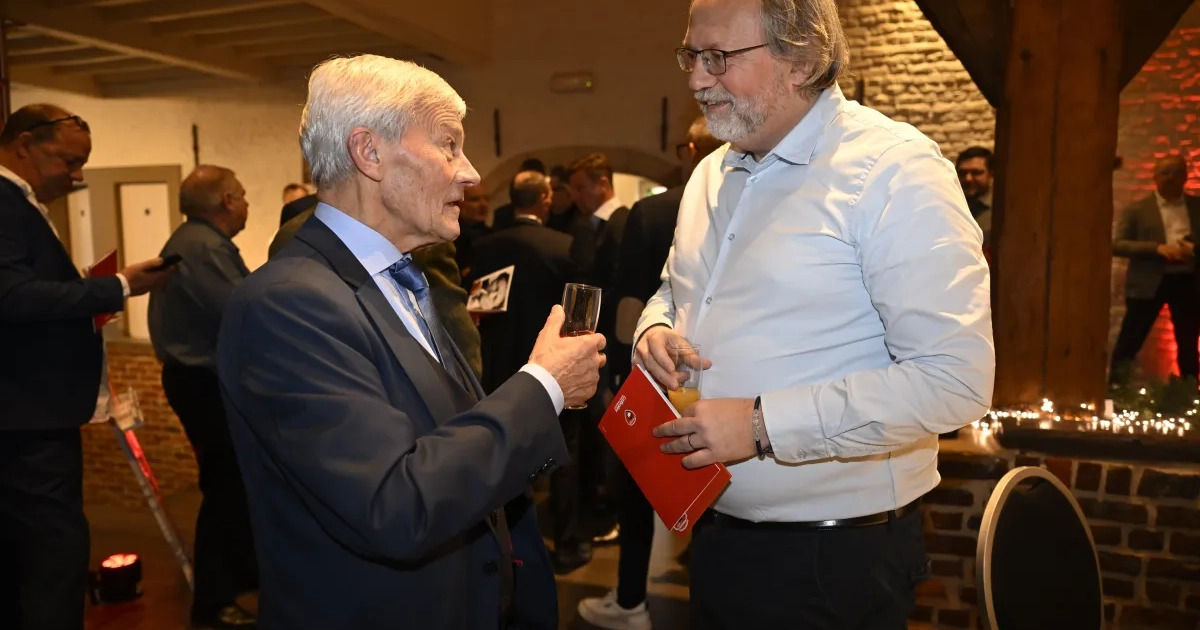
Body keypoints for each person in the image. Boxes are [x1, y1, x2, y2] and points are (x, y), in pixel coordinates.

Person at [638, 1, 994, 627]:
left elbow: (954, 379)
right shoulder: (709, 175)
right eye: (691, 55)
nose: (696, 78)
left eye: (719, 57)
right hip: (715, 528)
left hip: (834, 558)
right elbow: (676, 288)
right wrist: (656, 328)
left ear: (801, 58)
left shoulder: (893, 170)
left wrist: (761, 425)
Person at [217, 54, 606, 630]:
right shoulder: (286, 304)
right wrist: (542, 385)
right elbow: (393, 505)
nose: (471, 172)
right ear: (369, 152)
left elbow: (441, 438)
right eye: (448, 145)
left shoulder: (400, 275)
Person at [0, 104, 172, 630]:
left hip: (29, 412)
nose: (76, 177)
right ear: (24, 144)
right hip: (26, 419)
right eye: (69, 161)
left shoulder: (21, 202)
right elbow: (12, 297)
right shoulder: (5, 202)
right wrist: (117, 286)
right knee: (54, 556)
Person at [577, 115, 722, 630]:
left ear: (687, 149)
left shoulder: (654, 209)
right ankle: (708, 599)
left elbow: (632, 300)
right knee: (715, 489)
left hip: (657, 365)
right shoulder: (751, 205)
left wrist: (621, 374)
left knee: (639, 482)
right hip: (721, 372)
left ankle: (631, 597)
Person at [147, 165, 257, 629]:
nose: (248, 202)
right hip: (202, 381)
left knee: (232, 483)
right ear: (228, 200)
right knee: (225, 488)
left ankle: (242, 576)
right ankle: (212, 602)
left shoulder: (193, 242)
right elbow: (245, 312)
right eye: (245, 194)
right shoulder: (203, 247)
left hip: (199, 378)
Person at [469, 171, 576, 393]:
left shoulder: (485, 246)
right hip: (546, 357)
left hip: (496, 359)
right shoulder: (564, 246)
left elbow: (478, 305)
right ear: (544, 199)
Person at [1110, 154, 1200, 384]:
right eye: (1165, 172)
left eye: (1177, 172)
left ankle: (1188, 397)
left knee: (1189, 344)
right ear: (1155, 177)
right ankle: (1116, 394)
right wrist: (1157, 248)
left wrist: (1193, 250)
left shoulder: (1197, 207)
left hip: (1187, 280)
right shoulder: (1138, 209)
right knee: (1130, 341)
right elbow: (1117, 244)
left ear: (1185, 176)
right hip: (1147, 281)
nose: (1171, 177)